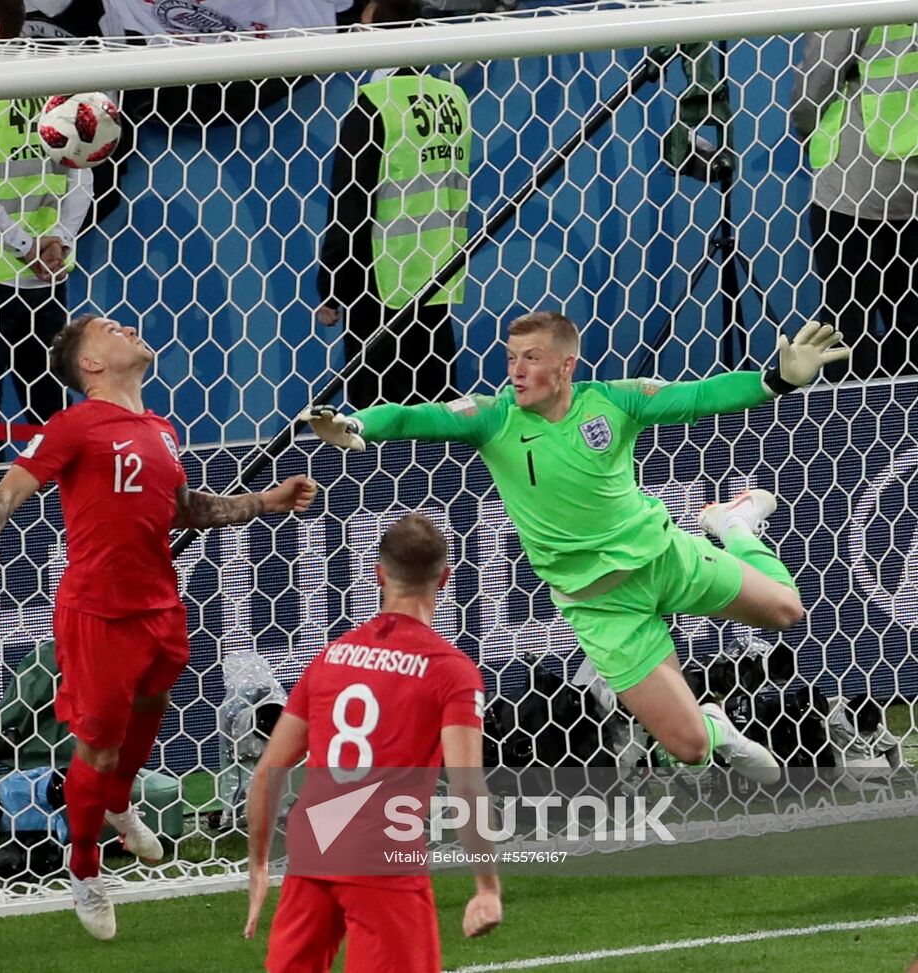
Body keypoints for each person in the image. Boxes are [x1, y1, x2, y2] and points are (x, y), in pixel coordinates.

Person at [301, 310, 852, 781]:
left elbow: (700, 397)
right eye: (512, 357)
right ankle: (714, 724)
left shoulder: (613, 403)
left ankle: (734, 527)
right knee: (691, 750)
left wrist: (774, 380)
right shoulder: (493, 419)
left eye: (532, 358)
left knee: (786, 610)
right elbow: (410, 416)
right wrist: (358, 424)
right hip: (603, 607)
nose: (516, 371)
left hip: (666, 559)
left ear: (566, 366)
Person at [0, 312, 318, 939]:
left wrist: (266, 502)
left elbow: (187, 510)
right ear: (91, 365)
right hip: (96, 613)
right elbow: (9, 492)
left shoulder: (160, 429)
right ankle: (85, 872)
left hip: (159, 606)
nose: (127, 327)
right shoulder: (74, 424)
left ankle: (121, 804)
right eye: (108, 329)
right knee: (96, 744)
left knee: (148, 709)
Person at [244, 513, 501, 973]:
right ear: (445, 578)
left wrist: (260, 863)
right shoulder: (451, 672)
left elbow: (269, 770)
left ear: (378, 574)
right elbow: (466, 787)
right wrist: (487, 888)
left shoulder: (329, 657)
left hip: (313, 848)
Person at [0, 0, 94, 466]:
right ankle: (59, 520)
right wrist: (59, 242)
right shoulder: (50, 91)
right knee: (49, 412)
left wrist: (27, 246)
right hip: (45, 274)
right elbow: (81, 174)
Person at [317, 0, 469, 410]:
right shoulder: (453, 99)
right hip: (438, 271)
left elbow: (350, 205)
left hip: (379, 279)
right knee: (437, 408)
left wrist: (332, 286)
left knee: (380, 417)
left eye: (364, 28)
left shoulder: (374, 105)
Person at [794, 25, 918, 380]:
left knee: (847, 325)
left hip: (855, 178)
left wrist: (804, 126)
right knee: (911, 322)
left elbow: (818, 77)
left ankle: (850, 428)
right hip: (907, 182)